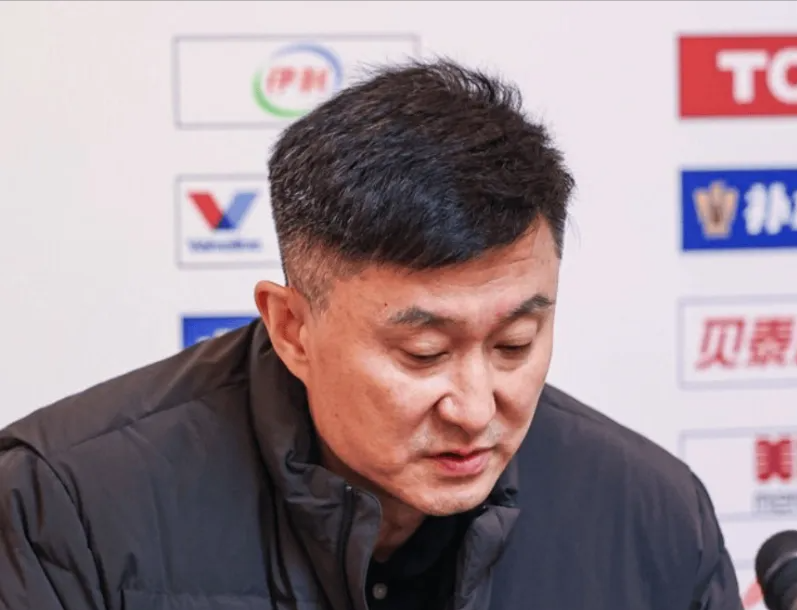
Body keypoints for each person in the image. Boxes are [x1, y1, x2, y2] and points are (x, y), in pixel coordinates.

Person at [0, 59, 742, 610]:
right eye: (424, 354)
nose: (475, 409)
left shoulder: (651, 515)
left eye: (514, 344)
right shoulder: (66, 507)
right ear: (292, 327)